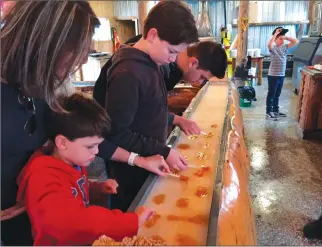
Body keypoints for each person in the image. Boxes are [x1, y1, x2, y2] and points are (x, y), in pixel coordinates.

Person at [0, 1, 168, 245]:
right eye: (77, 53)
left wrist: (137, 160)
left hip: (37, 214)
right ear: (45, 44)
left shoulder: (43, 85)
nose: (80, 62)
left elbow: (88, 137)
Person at [93, 0, 200, 211]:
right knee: (132, 211)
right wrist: (163, 150)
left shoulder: (152, 63)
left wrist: (174, 122)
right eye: (171, 51)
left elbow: (149, 110)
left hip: (149, 158)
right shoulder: (129, 73)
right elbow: (115, 132)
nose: (172, 59)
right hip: (131, 167)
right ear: (152, 35)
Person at [15, 94, 155, 246]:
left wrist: (96, 189)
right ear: (62, 142)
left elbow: (71, 191)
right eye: (90, 146)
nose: (96, 152)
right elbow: (71, 222)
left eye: (98, 145)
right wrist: (130, 221)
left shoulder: (71, 162)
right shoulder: (43, 177)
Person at [123, 36, 228, 91]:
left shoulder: (176, 71)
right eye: (202, 77)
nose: (200, 82)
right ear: (193, 63)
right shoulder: (158, 59)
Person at [266, 27, 298, 120]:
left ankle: (275, 110)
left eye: (282, 39)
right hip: (273, 75)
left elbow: (296, 41)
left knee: (277, 94)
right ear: (275, 40)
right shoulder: (273, 48)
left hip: (281, 75)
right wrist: (275, 34)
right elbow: (269, 44)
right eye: (280, 39)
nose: (282, 41)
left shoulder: (285, 47)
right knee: (271, 94)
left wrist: (285, 37)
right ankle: (269, 111)